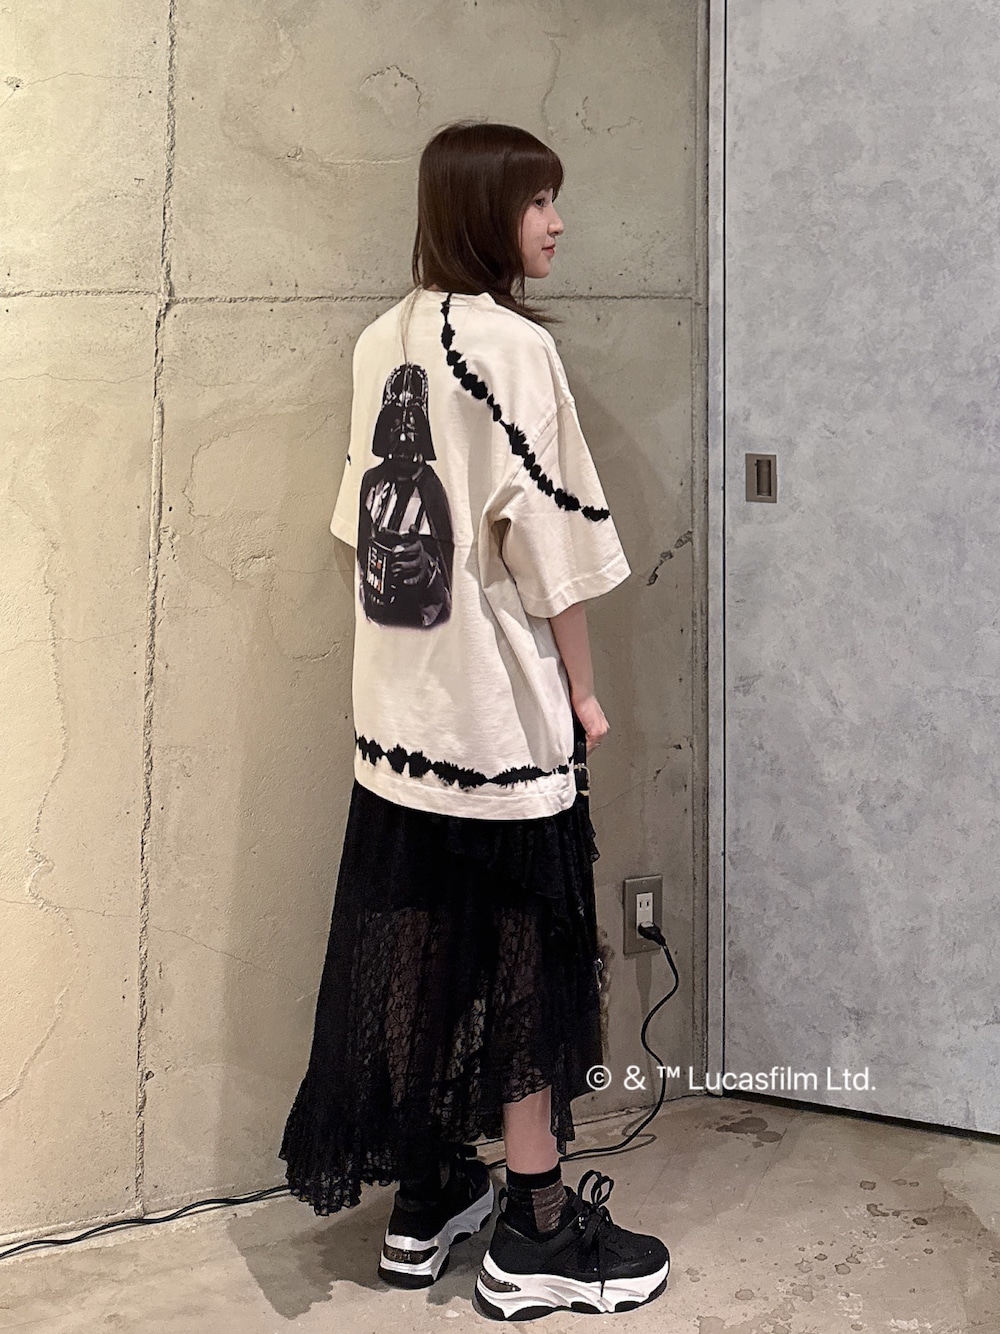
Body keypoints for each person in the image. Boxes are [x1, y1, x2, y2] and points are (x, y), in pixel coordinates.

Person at [278, 120, 670, 1320]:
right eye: (537, 201)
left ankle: (426, 1196)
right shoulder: (514, 349)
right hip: (497, 723)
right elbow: (554, 553)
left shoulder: (379, 339)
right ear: (483, 211)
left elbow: (359, 525)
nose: (556, 223)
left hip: (398, 720)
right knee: (520, 956)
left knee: (418, 945)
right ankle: (537, 1227)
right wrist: (584, 693)